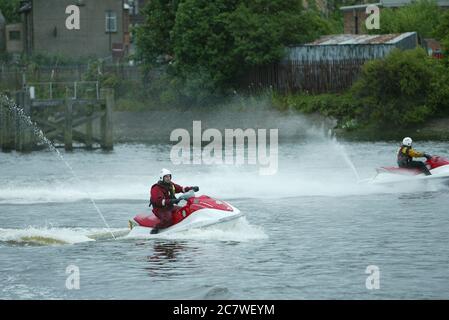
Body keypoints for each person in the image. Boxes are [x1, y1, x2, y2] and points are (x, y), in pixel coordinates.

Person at [149, 168, 199, 234]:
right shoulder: (156, 188)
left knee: (185, 210)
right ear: (162, 178)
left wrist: (192, 188)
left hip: (170, 207)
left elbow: (181, 189)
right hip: (160, 209)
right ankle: (156, 229)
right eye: (166, 177)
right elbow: (159, 201)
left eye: (169, 176)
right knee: (168, 219)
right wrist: (172, 201)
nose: (168, 178)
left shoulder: (171, 185)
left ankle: (187, 225)